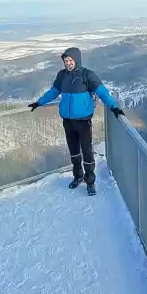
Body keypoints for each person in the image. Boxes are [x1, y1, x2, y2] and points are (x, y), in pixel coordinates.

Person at [29, 46, 124, 196]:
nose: (68, 63)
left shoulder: (87, 75)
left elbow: (102, 92)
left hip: (83, 121)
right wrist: (40, 102)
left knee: (87, 151)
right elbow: (53, 92)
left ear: (77, 60)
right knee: (74, 151)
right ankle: (78, 176)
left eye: (70, 60)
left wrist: (114, 107)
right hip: (68, 121)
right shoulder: (62, 76)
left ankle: (90, 182)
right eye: (66, 61)